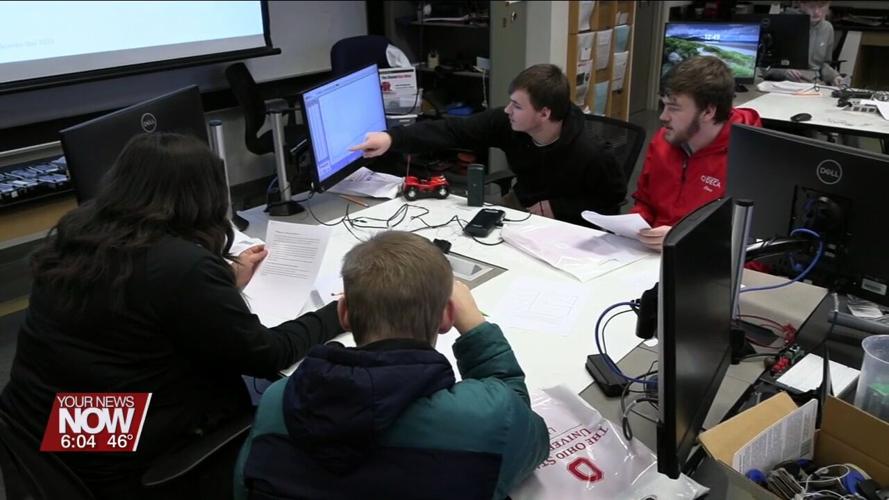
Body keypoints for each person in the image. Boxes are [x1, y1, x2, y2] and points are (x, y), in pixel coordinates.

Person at [0, 133, 343, 499]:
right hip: (117, 454)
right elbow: (267, 354)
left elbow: (136, 303)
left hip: (46, 430)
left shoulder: (77, 234)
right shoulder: (181, 266)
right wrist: (336, 314)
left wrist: (222, 284)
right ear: (202, 196)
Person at [235, 231, 549, 500]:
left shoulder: (278, 400)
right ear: (446, 317)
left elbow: (244, 488)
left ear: (343, 313)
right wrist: (476, 328)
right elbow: (530, 437)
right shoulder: (486, 417)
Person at [350, 64, 626, 226]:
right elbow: (452, 131)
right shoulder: (508, 123)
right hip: (523, 204)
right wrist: (392, 138)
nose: (507, 110)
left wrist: (561, 208)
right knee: (462, 233)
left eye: (517, 106)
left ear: (544, 113)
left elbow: (611, 207)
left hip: (571, 225)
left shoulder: (591, 151)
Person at [632, 56, 762, 251]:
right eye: (663, 105)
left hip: (705, 266)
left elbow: (753, 244)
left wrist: (685, 241)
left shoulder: (750, 156)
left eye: (674, 108)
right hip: (650, 257)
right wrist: (636, 225)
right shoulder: (663, 140)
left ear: (708, 112)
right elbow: (645, 202)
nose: (663, 117)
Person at [765, 1, 842, 86]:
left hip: (815, 83)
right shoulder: (784, 23)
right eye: (812, 7)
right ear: (802, 5)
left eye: (821, 6)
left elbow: (824, 64)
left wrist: (834, 76)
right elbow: (766, 65)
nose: (816, 12)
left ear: (828, 6)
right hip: (787, 83)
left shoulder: (828, 28)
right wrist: (784, 72)